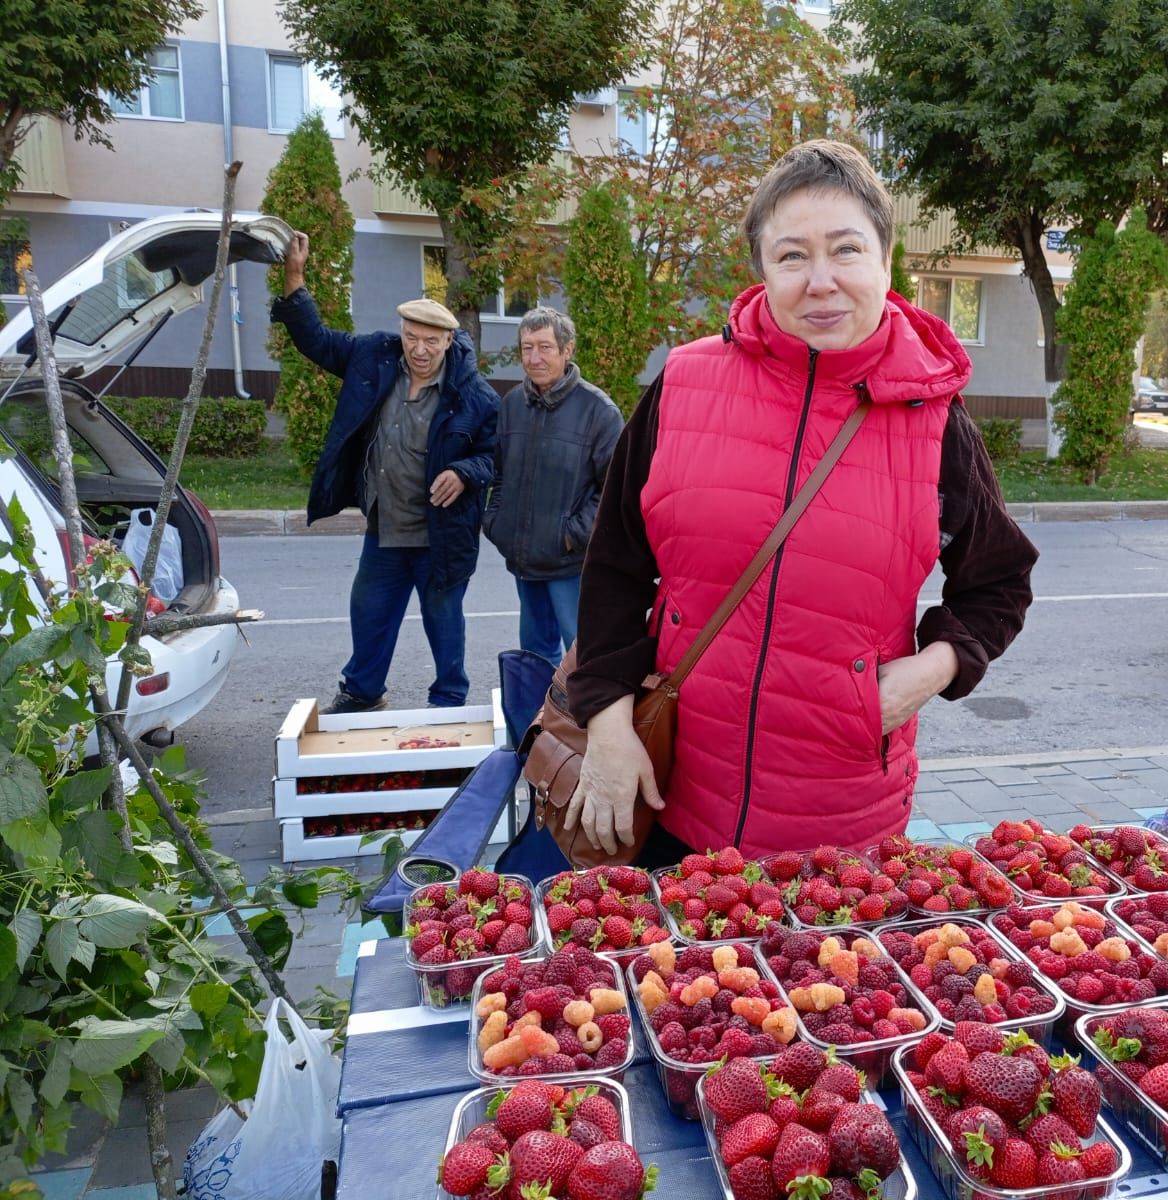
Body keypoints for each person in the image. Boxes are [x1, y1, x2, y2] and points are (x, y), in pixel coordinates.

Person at [563, 139, 1038, 862]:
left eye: (845, 250)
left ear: (885, 261)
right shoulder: (683, 385)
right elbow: (615, 568)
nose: (820, 281)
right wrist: (604, 721)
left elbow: (998, 581)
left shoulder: (932, 420)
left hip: (843, 823)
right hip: (674, 796)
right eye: (791, 256)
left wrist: (936, 666)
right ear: (762, 269)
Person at [271, 231, 498, 713]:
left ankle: (449, 699)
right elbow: (315, 340)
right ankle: (363, 692)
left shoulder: (473, 395)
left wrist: (464, 472)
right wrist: (295, 277)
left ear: (449, 341)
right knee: (369, 613)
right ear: (402, 334)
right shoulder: (373, 358)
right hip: (385, 527)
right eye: (412, 338)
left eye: (431, 341)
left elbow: (496, 455)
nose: (419, 350)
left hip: (442, 533)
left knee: (444, 620)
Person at [484, 309, 623, 665]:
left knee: (581, 659)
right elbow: (500, 473)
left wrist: (571, 535)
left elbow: (614, 491)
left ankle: (579, 721)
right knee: (534, 658)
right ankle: (539, 721)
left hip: (570, 564)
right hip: (524, 560)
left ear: (567, 350)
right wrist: (498, 523)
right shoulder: (513, 404)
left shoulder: (598, 411)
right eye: (527, 347)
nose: (534, 358)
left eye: (545, 347)